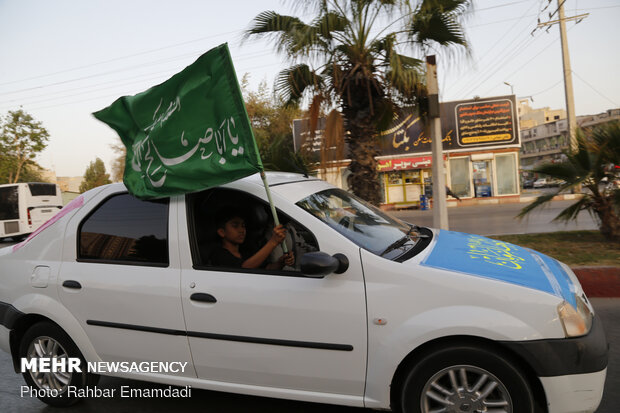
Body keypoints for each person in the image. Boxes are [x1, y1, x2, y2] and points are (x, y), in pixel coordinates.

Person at [211, 209, 295, 269]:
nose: (242, 230)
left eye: (243, 226)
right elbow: (244, 268)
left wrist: (280, 263)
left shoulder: (245, 251)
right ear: (222, 232)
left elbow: (266, 269)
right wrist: (273, 242)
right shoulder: (219, 254)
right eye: (235, 226)